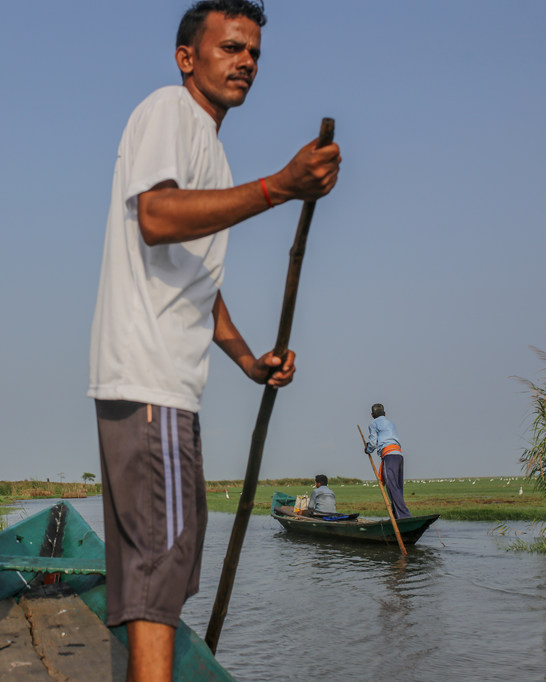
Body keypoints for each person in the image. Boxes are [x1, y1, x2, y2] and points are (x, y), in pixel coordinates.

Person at [87, 2, 341, 679]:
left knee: (166, 562)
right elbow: (157, 215)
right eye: (230, 48)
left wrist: (249, 361)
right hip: (149, 381)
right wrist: (278, 187)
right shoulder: (171, 112)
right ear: (187, 56)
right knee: (158, 570)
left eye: (253, 53)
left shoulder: (208, 143)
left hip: (164, 386)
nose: (246, 62)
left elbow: (196, 277)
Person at [365, 403, 411, 519]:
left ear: (372, 415)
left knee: (392, 487)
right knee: (398, 487)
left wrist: (368, 449)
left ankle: (403, 516)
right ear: (385, 414)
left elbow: (373, 442)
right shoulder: (390, 423)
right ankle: (397, 515)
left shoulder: (373, 423)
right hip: (398, 455)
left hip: (389, 456)